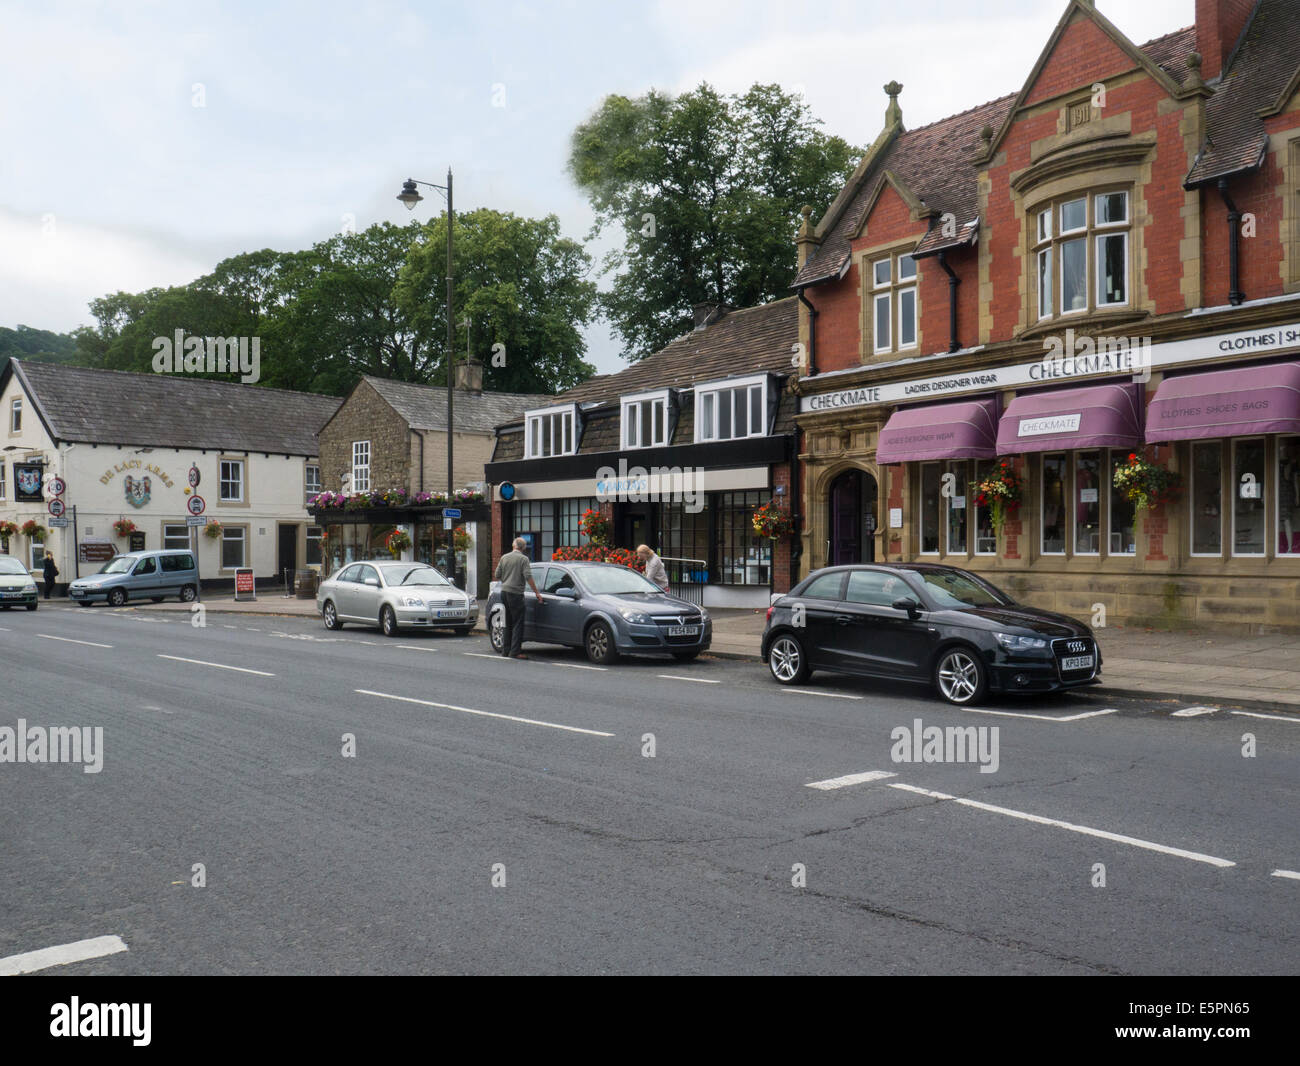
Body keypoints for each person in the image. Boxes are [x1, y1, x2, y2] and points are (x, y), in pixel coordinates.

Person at [494, 537, 542, 659]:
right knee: (518, 623)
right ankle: (515, 652)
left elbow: (497, 575)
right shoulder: (524, 559)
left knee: (508, 622)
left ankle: (506, 650)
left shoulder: (504, 557)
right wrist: (537, 592)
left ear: (513, 545)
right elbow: (528, 576)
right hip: (516, 593)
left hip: (504, 592)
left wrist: (506, 580)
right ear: (523, 548)